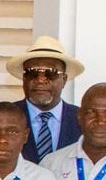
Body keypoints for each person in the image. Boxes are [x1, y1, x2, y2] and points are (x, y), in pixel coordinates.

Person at [10, 35, 84, 164]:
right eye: (32, 73)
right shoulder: (3, 118)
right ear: (24, 78)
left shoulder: (82, 120)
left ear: (64, 80)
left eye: (51, 73)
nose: (40, 80)